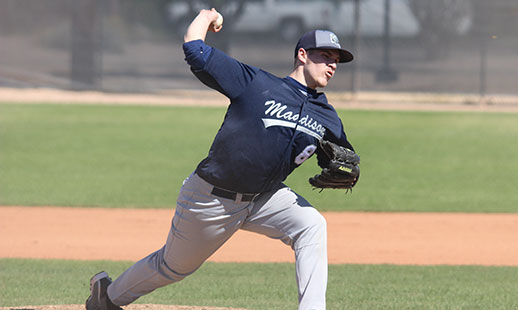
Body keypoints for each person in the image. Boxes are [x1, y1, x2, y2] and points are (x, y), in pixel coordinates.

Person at [85, 8, 357, 310]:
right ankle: (106, 297)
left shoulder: (326, 115)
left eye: (336, 60)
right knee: (173, 267)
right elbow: (194, 49)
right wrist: (206, 16)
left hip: (264, 198)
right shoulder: (255, 83)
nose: (331, 65)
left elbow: (341, 158)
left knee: (311, 225)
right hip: (212, 198)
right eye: (325, 56)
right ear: (303, 55)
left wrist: (345, 170)